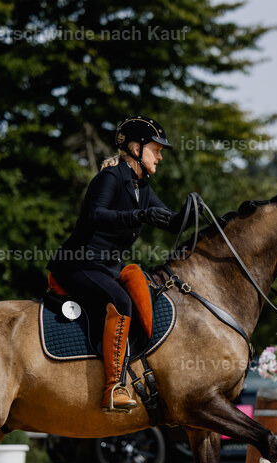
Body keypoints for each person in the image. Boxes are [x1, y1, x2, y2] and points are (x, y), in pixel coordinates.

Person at [48, 116, 178, 413]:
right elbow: (97, 215)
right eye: (156, 150)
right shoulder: (110, 177)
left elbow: (170, 221)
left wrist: (198, 215)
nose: (160, 156)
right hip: (79, 263)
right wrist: (138, 216)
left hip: (105, 268)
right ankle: (113, 388)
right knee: (120, 301)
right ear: (136, 149)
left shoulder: (142, 188)